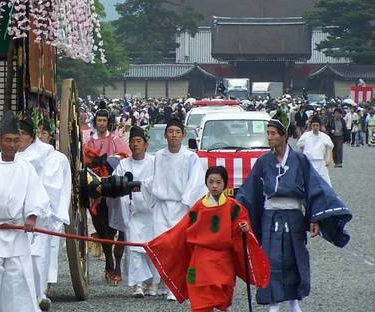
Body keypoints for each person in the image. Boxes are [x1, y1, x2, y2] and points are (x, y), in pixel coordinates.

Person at [236, 119, 352, 312]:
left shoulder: (300, 159)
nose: (270, 137)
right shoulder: (263, 161)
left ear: (284, 136)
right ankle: (273, 302)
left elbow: (314, 187)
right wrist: (236, 208)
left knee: (294, 257)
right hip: (270, 216)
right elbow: (249, 190)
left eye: (273, 133)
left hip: (294, 216)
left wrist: (314, 218)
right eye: (268, 133)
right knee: (270, 258)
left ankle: (294, 301)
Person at [147, 166, 270, 312]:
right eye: (211, 182)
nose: (214, 186)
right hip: (200, 260)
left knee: (224, 300)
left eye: (218, 182)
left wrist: (243, 228)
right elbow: (180, 231)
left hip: (224, 260)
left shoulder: (234, 207)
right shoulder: (198, 207)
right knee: (200, 302)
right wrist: (156, 244)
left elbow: (242, 226)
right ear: (206, 183)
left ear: (225, 183)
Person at [0, 112, 50, 312]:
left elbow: (36, 194)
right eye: (8, 140)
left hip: (15, 230)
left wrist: (32, 216)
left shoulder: (26, 168)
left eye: (16, 140)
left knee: (17, 277)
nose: (13, 145)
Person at [140, 118, 207, 301]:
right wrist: (143, 185)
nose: (174, 135)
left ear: (183, 135)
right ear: (165, 134)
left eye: (177, 132)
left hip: (181, 206)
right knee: (161, 245)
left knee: (178, 247)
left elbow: (196, 182)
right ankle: (162, 282)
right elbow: (156, 178)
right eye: (171, 132)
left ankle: (175, 286)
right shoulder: (159, 156)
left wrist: (187, 204)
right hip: (161, 206)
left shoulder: (190, 157)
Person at [16, 117, 71, 310]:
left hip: (44, 215)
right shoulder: (12, 158)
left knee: (39, 256)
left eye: (43, 133)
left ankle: (40, 294)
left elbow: (63, 188)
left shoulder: (55, 157)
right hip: (17, 216)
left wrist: (59, 213)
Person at [109, 126, 160, 298]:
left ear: (146, 144)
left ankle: (154, 282)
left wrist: (143, 186)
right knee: (134, 248)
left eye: (139, 141)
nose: (136, 145)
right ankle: (139, 284)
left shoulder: (155, 162)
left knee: (153, 248)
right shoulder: (123, 165)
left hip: (152, 213)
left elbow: (160, 184)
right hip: (133, 213)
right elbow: (115, 187)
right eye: (132, 141)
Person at [82, 102, 129, 284]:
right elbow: (84, 158)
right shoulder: (90, 141)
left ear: (108, 122)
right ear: (95, 122)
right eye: (99, 120)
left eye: (104, 120)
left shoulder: (115, 140)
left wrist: (109, 160)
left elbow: (125, 155)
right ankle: (109, 261)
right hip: (96, 188)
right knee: (102, 227)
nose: (101, 123)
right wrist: (94, 161)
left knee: (117, 225)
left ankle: (116, 265)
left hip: (113, 186)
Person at [296, 116, 334, 186]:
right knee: (307, 182)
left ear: (319, 126)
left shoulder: (325, 137)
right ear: (311, 126)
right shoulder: (306, 135)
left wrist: (328, 159)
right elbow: (300, 146)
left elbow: (329, 148)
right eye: (313, 125)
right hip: (308, 162)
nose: (315, 127)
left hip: (320, 162)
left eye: (317, 125)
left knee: (324, 182)